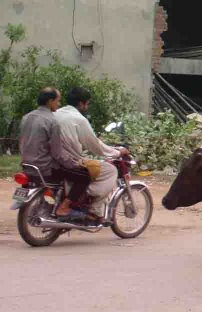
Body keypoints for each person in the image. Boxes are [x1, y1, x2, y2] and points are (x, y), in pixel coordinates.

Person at [52, 87, 128, 222]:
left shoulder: (55, 114)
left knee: (91, 166)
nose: (87, 107)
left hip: (51, 160)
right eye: (87, 103)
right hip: (69, 161)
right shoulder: (78, 119)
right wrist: (117, 152)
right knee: (110, 170)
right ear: (81, 103)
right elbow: (95, 146)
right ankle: (93, 207)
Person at [18, 87, 91, 220]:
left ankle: (56, 202)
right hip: (45, 168)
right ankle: (65, 208)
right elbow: (57, 153)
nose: (59, 104)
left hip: (27, 165)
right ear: (50, 101)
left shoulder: (26, 117)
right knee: (84, 175)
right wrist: (74, 163)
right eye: (58, 100)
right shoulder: (52, 121)